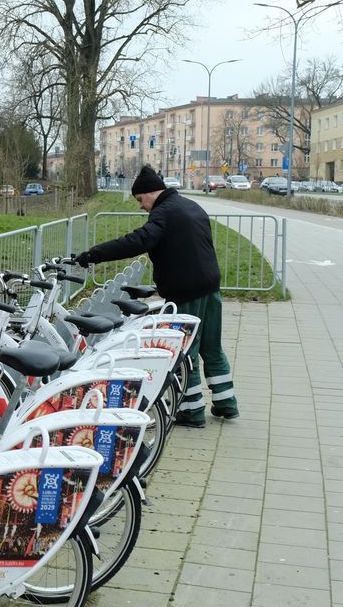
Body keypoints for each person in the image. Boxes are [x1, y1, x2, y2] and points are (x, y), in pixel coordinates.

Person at [73, 165, 239, 428]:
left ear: (151, 192)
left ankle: (192, 411)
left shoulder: (163, 213)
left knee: (185, 352)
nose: (141, 207)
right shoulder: (190, 206)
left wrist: (93, 254)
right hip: (210, 287)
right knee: (212, 346)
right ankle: (227, 403)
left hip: (185, 292)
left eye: (140, 200)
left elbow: (136, 242)